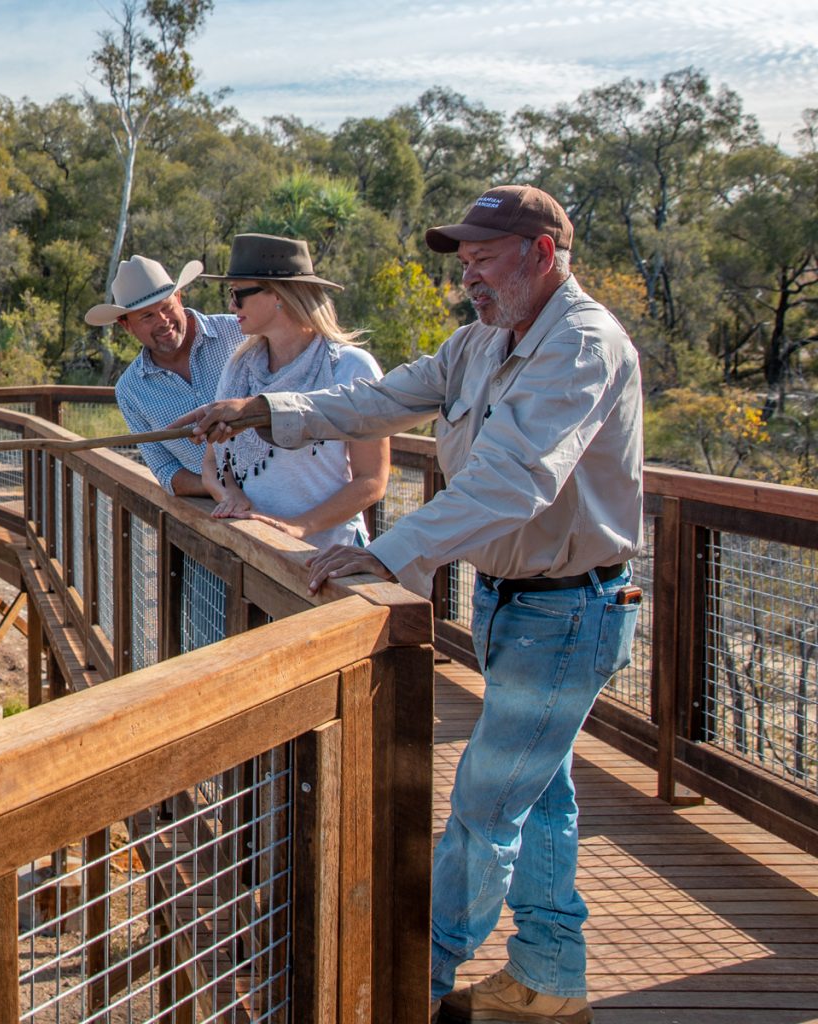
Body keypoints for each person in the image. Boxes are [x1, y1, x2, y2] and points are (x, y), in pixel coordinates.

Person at [177, 185, 643, 1024]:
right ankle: (549, 974)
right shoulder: (480, 343)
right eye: (463, 262)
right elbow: (379, 401)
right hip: (513, 601)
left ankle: (409, 980)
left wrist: (386, 552)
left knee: (483, 804)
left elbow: (512, 480)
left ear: (542, 255)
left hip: (569, 608)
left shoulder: (579, 345)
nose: (468, 276)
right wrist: (260, 409)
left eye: (484, 259)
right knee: (539, 799)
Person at [199, 234, 388, 549]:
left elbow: (372, 480)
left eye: (237, 293)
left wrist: (296, 527)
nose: (231, 305)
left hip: (330, 555)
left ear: (278, 296)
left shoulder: (351, 368)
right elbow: (213, 462)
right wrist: (230, 496)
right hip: (256, 547)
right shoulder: (239, 368)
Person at [90, 254, 242, 497]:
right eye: (147, 316)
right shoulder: (130, 390)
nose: (163, 321)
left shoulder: (239, 332)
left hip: (291, 495)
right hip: (220, 519)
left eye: (166, 307)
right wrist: (222, 490)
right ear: (126, 325)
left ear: (179, 298)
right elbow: (165, 469)